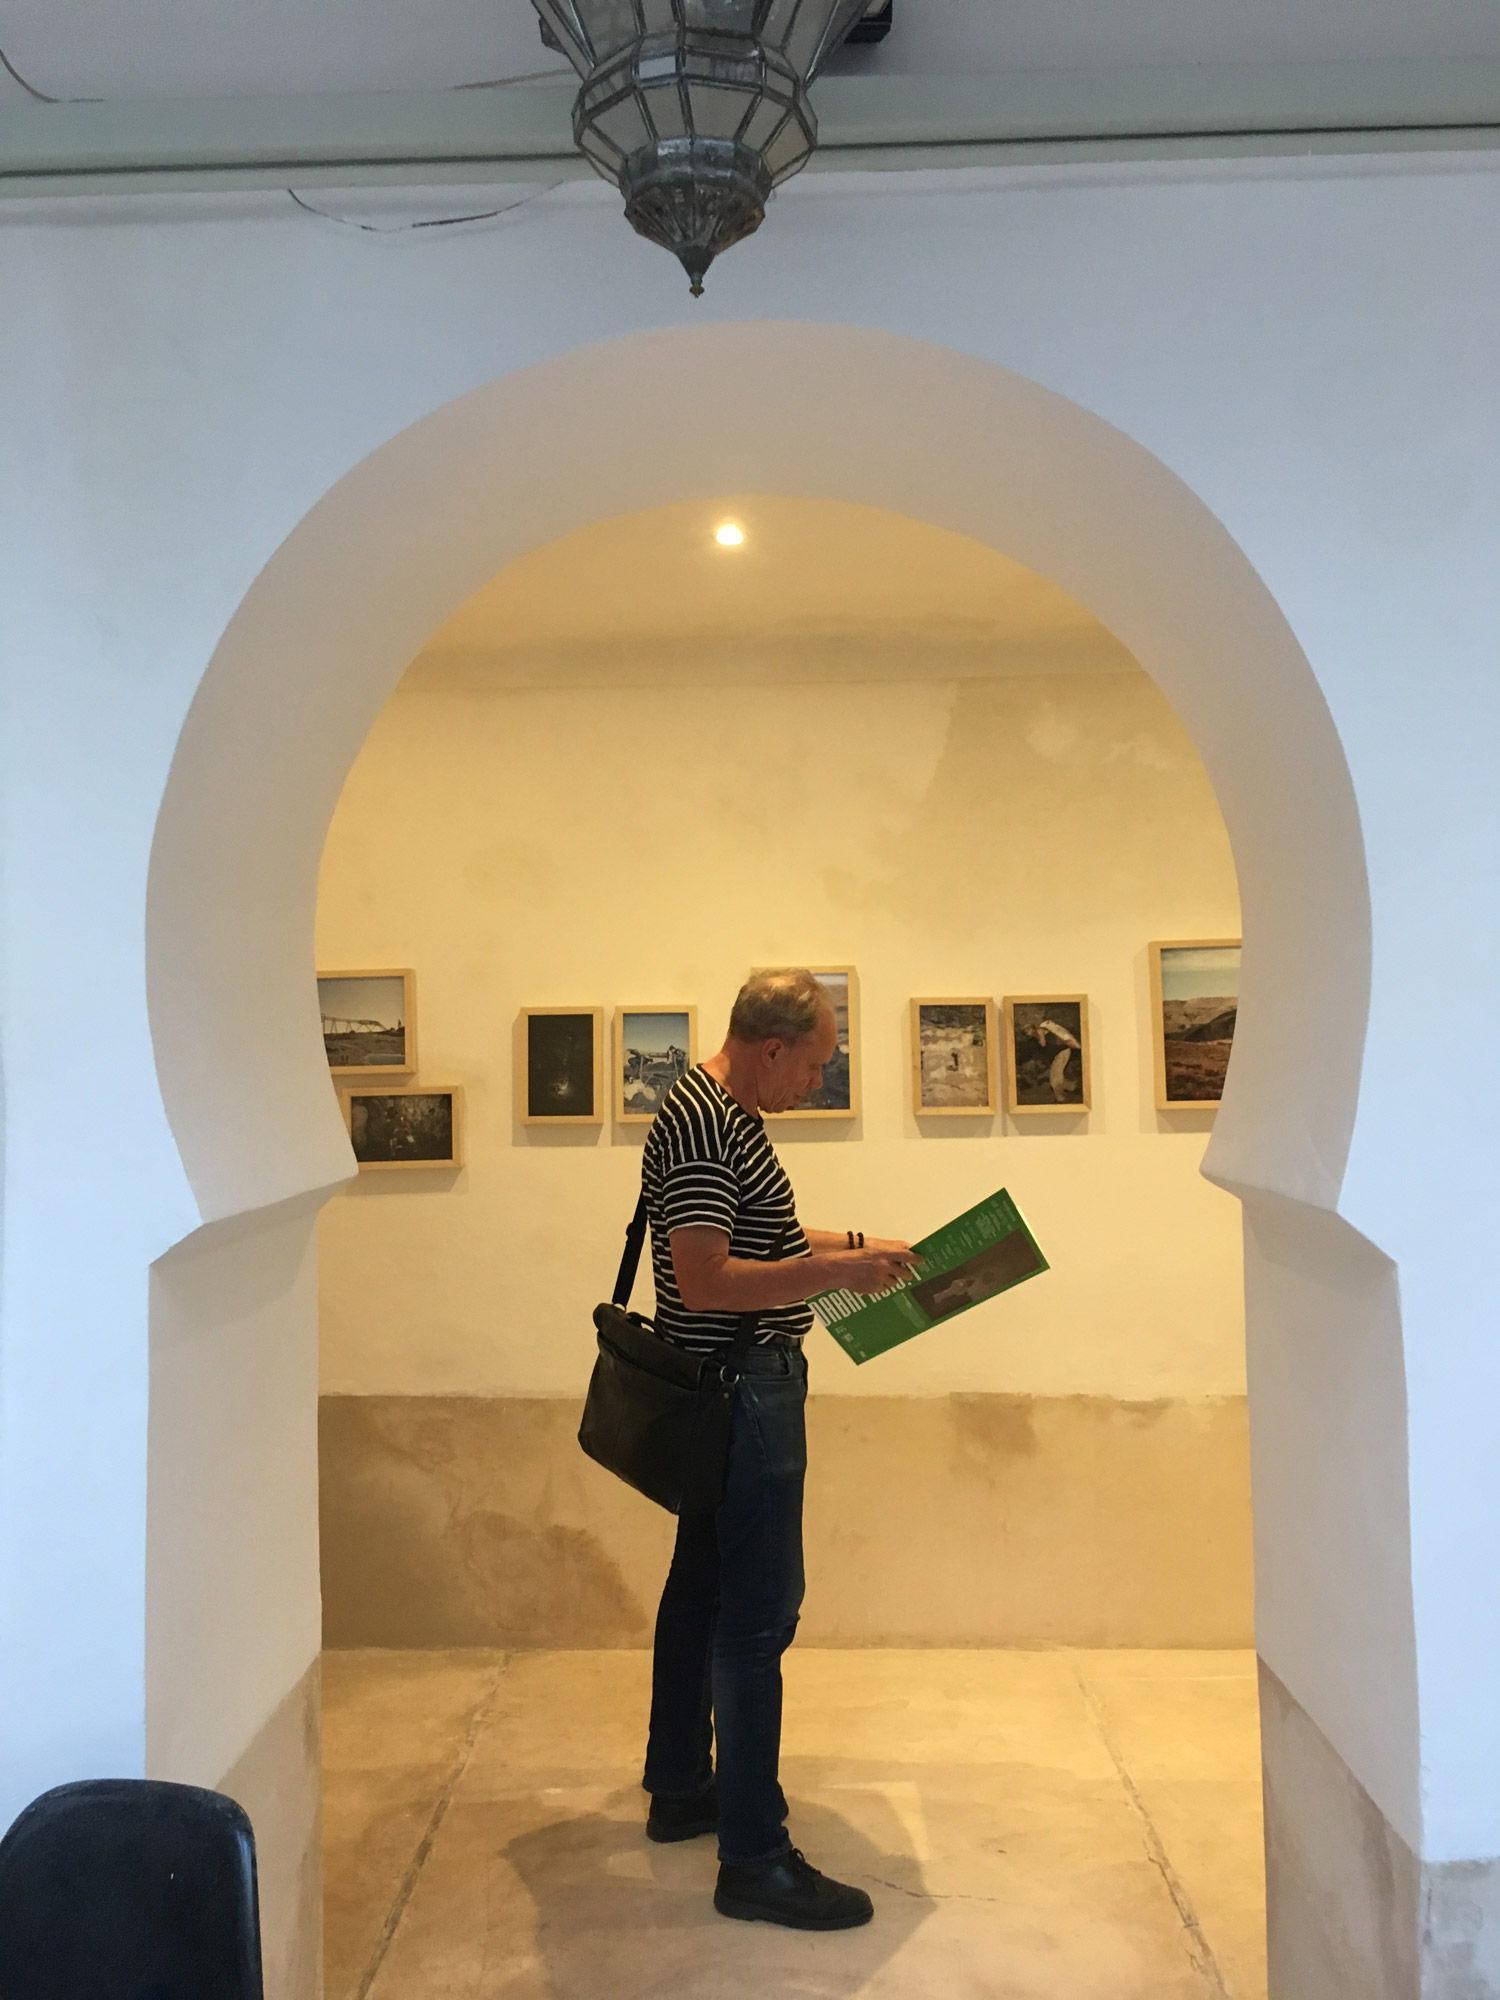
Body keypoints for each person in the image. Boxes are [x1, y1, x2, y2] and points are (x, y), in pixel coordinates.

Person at [638, 969, 919, 1930]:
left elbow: (757, 1232)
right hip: (742, 1393)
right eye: (816, 1063)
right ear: (771, 1049)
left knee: (702, 1591)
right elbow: (709, 1281)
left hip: (724, 1391)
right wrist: (837, 1273)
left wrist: (861, 1249)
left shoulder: (721, 1111)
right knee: (757, 1620)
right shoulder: (708, 1121)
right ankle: (755, 1861)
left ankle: (682, 1787)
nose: (818, 1079)